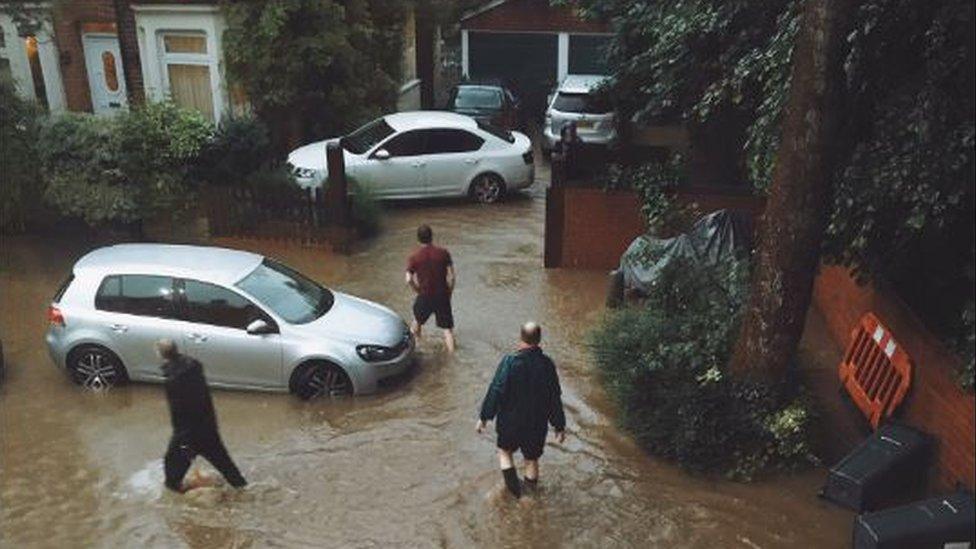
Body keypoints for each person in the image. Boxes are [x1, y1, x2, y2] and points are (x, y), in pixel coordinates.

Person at [476, 322, 566, 498]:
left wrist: (484, 417)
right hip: (536, 424)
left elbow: (496, 389)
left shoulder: (509, 362)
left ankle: (516, 494)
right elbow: (554, 397)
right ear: (539, 340)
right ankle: (529, 498)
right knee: (531, 460)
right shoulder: (547, 365)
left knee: (504, 452)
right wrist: (559, 426)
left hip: (510, 422)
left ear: (520, 339)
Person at [156, 339, 247, 493]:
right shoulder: (195, 367)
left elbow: (178, 412)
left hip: (189, 435)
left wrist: (182, 440)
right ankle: (243, 492)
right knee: (229, 469)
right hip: (209, 428)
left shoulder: (172, 380)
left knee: (171, 476)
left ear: (160, 354)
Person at [405, 224, 457, 352]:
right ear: (432, 237)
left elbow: (408, 279)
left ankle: (416, 350)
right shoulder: (444, 253)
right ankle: (452, 358)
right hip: (442, 295)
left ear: (418, 239)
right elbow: (452, 277)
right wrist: (449, 293)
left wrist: (418, 291)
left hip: (425, 296)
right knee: (447, 331)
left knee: (416, 324)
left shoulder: (414, 257)